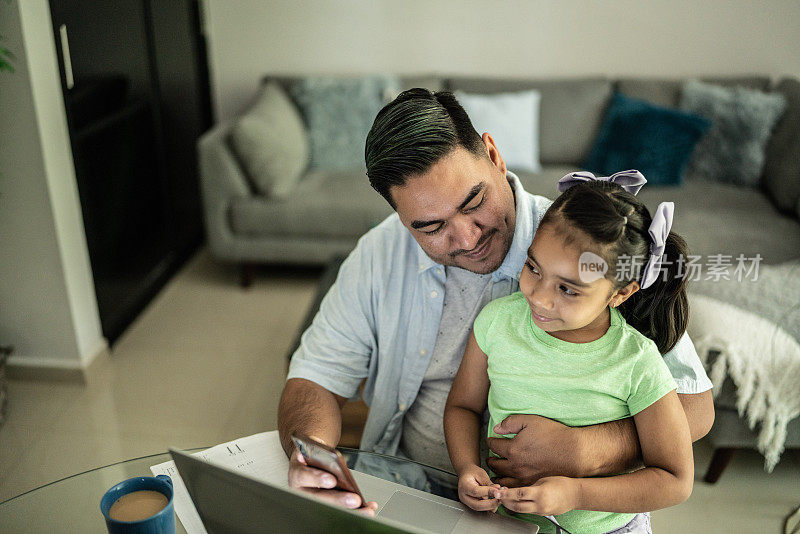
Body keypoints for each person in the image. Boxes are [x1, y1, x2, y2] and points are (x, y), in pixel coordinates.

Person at [277, 89, 714, 515]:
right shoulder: (380, 253)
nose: (468, 238)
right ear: (400, 216)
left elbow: (695, 407)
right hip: (415, 491)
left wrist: (586, 449)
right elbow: (315, 378)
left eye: (474, 201)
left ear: (493, 154)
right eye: (431, 227)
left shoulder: (586, 247)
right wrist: (313, 461)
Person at [445, 173, 693, 534]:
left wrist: (576, 493)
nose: (540, 297)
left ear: (619, 294)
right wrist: (467, 467)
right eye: (533, 268)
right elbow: (462, 408)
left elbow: (674, 479)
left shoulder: (637, 361)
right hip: (507, 522)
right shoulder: (496, 323)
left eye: (568, 289)